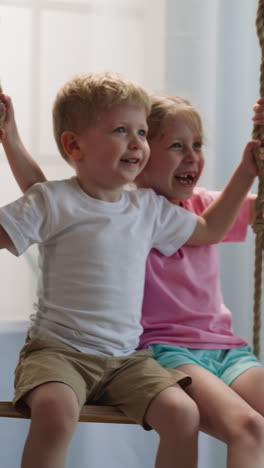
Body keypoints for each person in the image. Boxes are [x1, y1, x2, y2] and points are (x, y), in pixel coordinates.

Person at [0, 79, 262, 468]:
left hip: (162, 355)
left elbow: (211, 228)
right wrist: (11, 138)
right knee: (56, 413)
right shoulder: (78, 200)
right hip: (98, 350)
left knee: (195, 417)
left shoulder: (165, 209)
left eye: (141, 133)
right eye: (123, 131)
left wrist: (253, 160)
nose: (137, 142)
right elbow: (44, 202)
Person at [135, 94, 264, 468]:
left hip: (227, 350)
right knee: (248, 428)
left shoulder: (202, 203)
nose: (192, 156)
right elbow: (210, 229)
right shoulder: (130, 212)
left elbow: (254, 208)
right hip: (165, 350)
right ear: (140, 153)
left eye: (197, 144)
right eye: (176, 146)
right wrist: (245, 169)